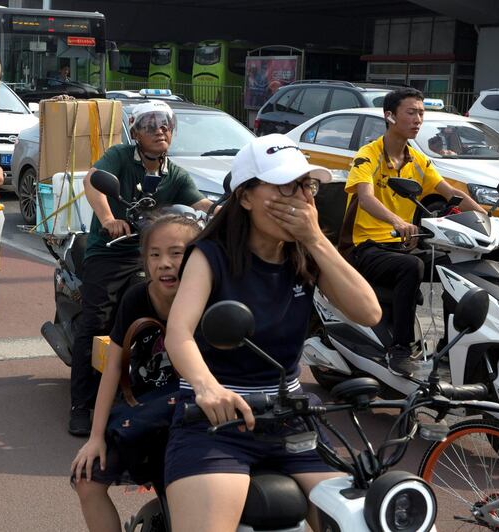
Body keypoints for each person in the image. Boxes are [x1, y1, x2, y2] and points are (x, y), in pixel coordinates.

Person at [162, 134, 382, 532]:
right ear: (245, 197)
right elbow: (179, 333)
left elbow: (367, 311)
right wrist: (208, 388)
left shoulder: (305, 255)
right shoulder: (211, 255)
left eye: (305, 186)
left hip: (291, 418)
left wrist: (315, 239)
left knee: (359, 523)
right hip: (217, 421)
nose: (298, 198)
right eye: (284, 186)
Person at [339, 87, 499, 376]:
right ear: (390, 116)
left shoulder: (417, 160)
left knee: (448, 267)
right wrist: (397, 222)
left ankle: (437, 342)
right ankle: (399, 349)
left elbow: (451, 194)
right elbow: (365, 197)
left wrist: (490, 218)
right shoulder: (368, 155)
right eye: (411, 112)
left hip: (403, 244)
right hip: (367, 245)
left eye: (421, 113)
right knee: (412, 266)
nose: (418, 119)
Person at [69, 100, 216, 436]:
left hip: (151, 253)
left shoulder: (174, 173)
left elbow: (199, 202)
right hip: (109, 251)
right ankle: (80, 404)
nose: (159, 130)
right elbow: (93, 181)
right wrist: (108, 219)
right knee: (96, 322)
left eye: (165, 124)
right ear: (134, 132)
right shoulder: (120, 157)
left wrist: (223, 212)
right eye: (150, 125)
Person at [70, 213, 201, 532]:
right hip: (142, 414)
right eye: (154, 254)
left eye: (177, 253)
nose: (165, 263)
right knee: (86, 479)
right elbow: (113, 367)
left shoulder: (210, 300)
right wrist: (95, 437)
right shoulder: (135, 299)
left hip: (195, 417)